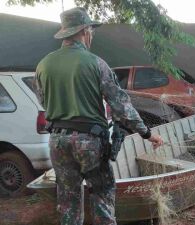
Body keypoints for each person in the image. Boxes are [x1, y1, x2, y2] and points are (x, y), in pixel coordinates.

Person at [35, 7, 163, 225]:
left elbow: (44, 103)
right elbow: (122, 107)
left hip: (57, 142)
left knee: (68, 202)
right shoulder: (96, 63)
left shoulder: (43, 65)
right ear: (84, 31)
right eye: (91, 30)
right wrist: (147, 134)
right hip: (90, 143)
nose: (92, 35)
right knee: (102, 199)